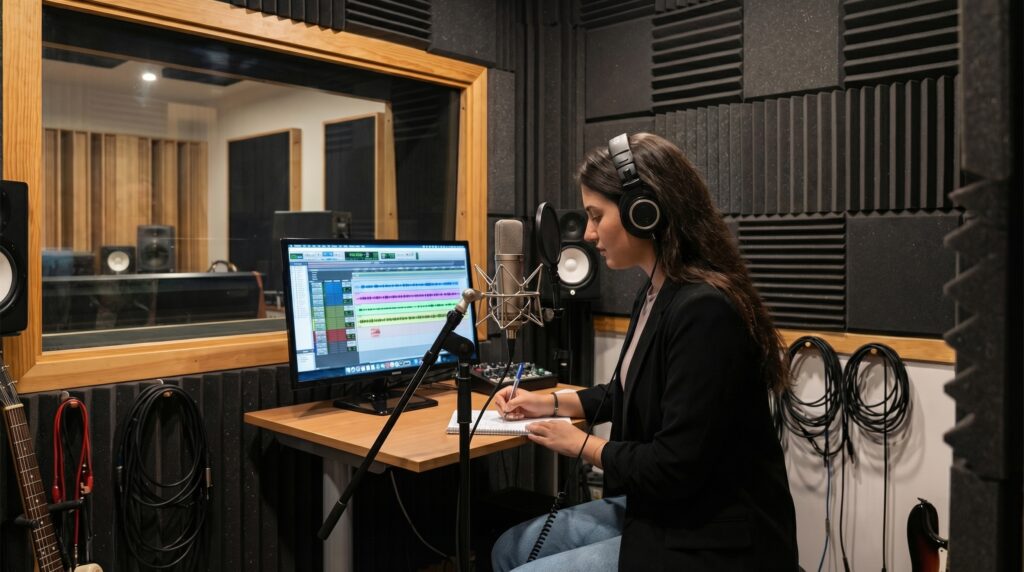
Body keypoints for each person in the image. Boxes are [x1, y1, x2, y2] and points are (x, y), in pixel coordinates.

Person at [490, 133, 799, 571]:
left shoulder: (704, 310)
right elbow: (626, 391)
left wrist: (580, 444)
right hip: (668, 509)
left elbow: (675, 464)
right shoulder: (657, 291)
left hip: (713, 538)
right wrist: (548, 402)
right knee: (509, 548)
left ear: (644, 211)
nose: (591, 233)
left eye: (597, 216)